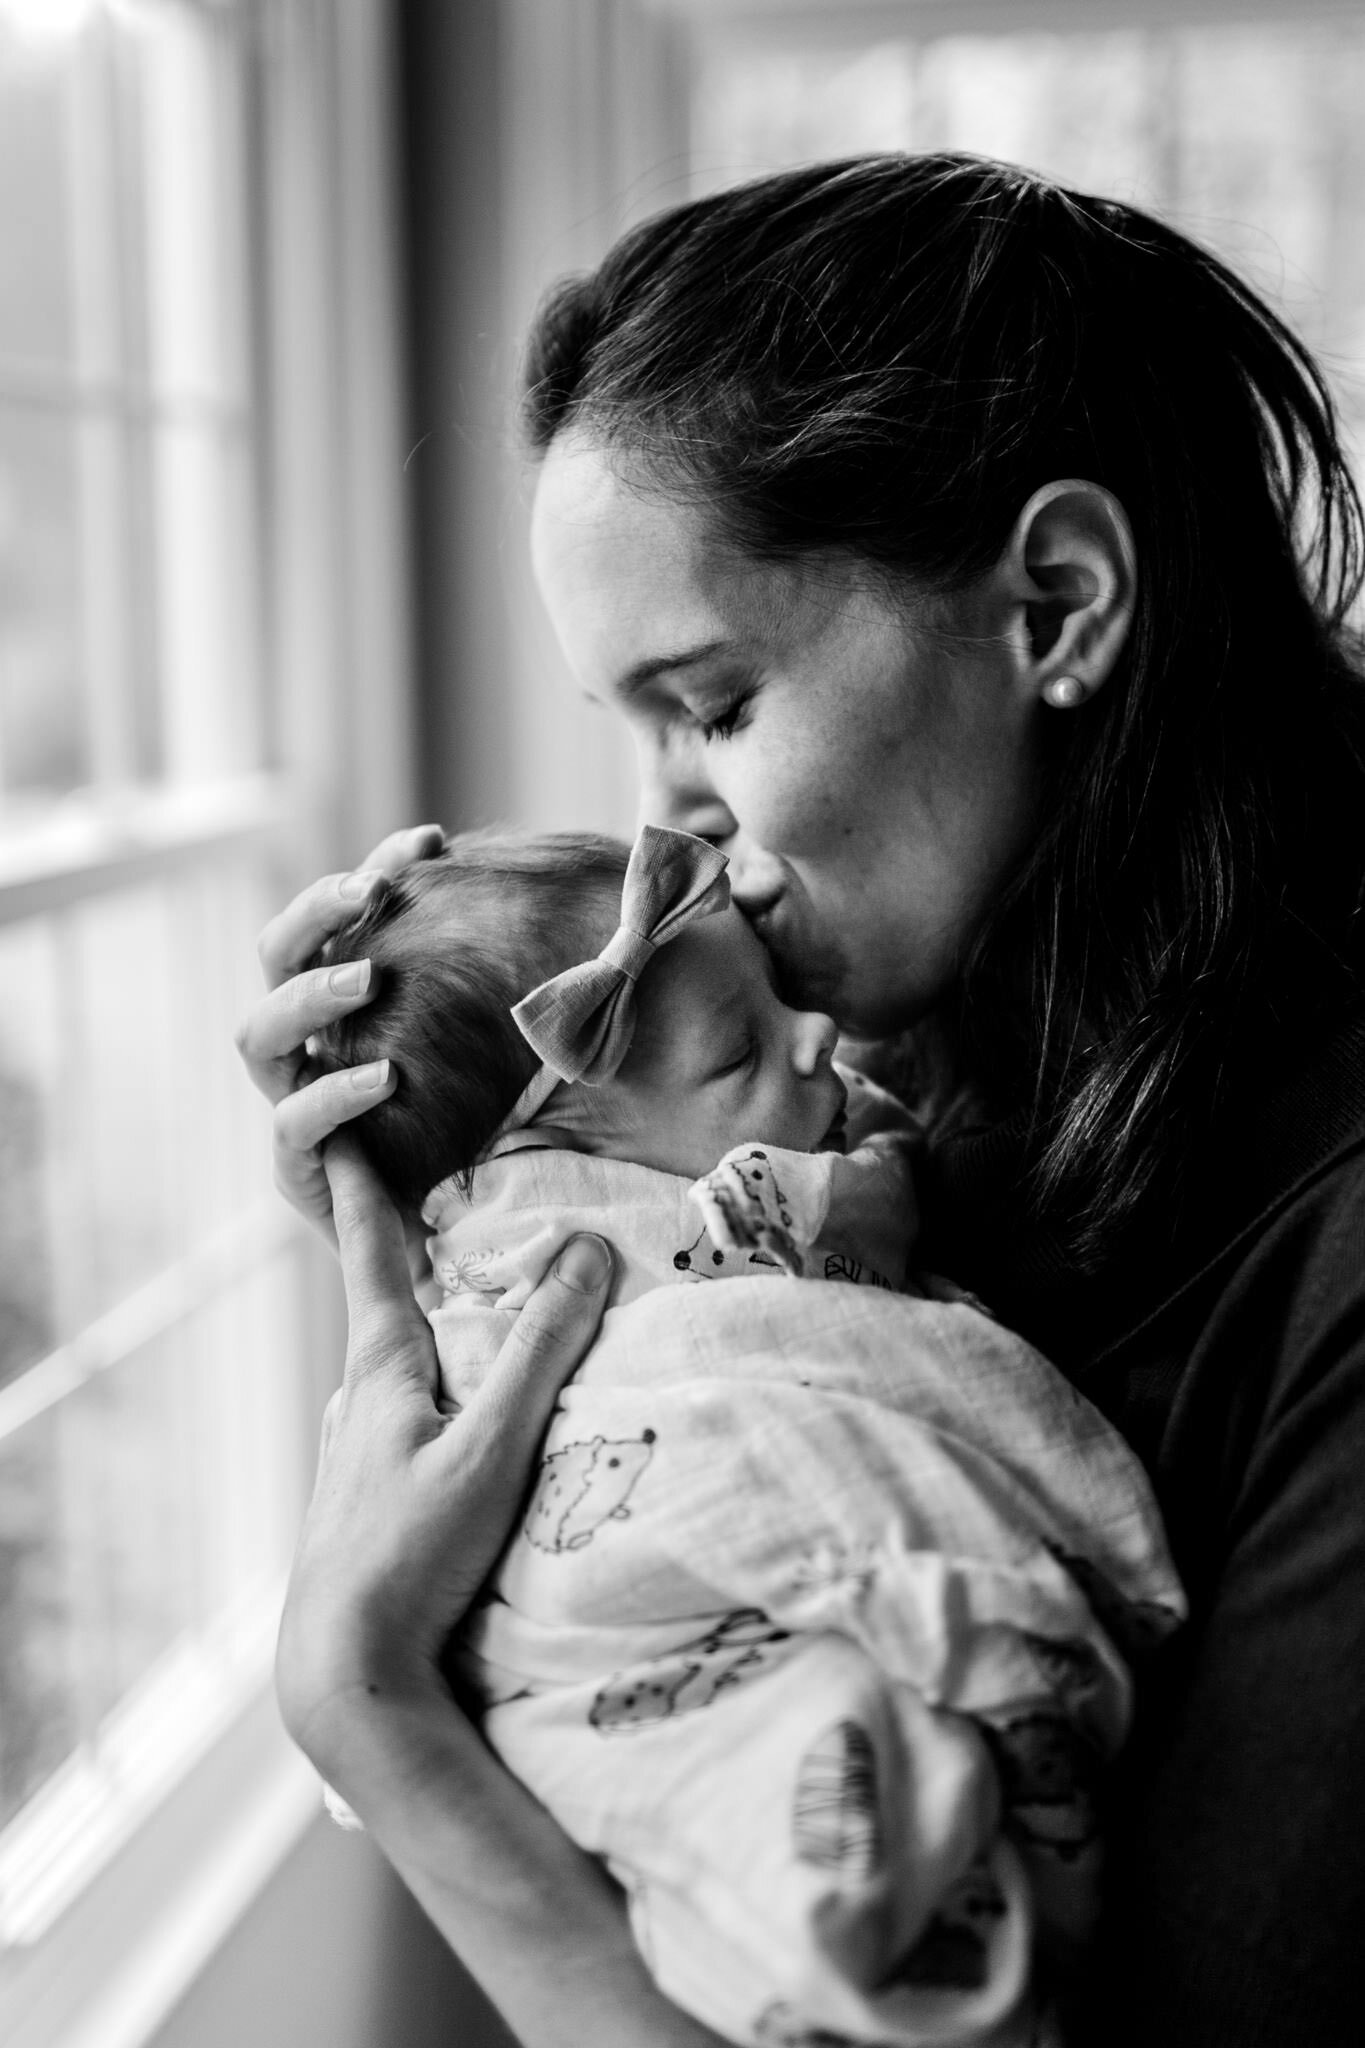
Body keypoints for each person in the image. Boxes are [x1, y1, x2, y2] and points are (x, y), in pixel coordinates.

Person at [236, 154, 1365, 2046]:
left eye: (716, 701)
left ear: (1059, 601)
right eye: (634, 725)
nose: (669, 816)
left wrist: (378, 1720)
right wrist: (467, 1229)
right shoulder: (917, 1084)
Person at [303, 818, 1182, 2045]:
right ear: (541, 1171)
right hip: (639, 1627)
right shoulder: (562, 1285)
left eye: (776, 996)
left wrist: (353, 1689)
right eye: (738, 1050)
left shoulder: (840, 1165)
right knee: (796, 1789)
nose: (819, 1032)